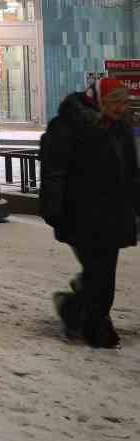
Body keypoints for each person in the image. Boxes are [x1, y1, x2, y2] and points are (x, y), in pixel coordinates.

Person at [42, 78, 140, 348]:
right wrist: (53, 208)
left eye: (124, 102)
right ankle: (97, 328)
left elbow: (131, 173)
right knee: (100, 274)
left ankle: (73, 308)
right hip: (79, 214)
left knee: (103, 275)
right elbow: (55, 170)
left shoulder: (120, 128)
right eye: (115, 102)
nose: (121, 108)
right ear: (100, 101)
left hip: (113, 215)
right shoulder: (67, 125)